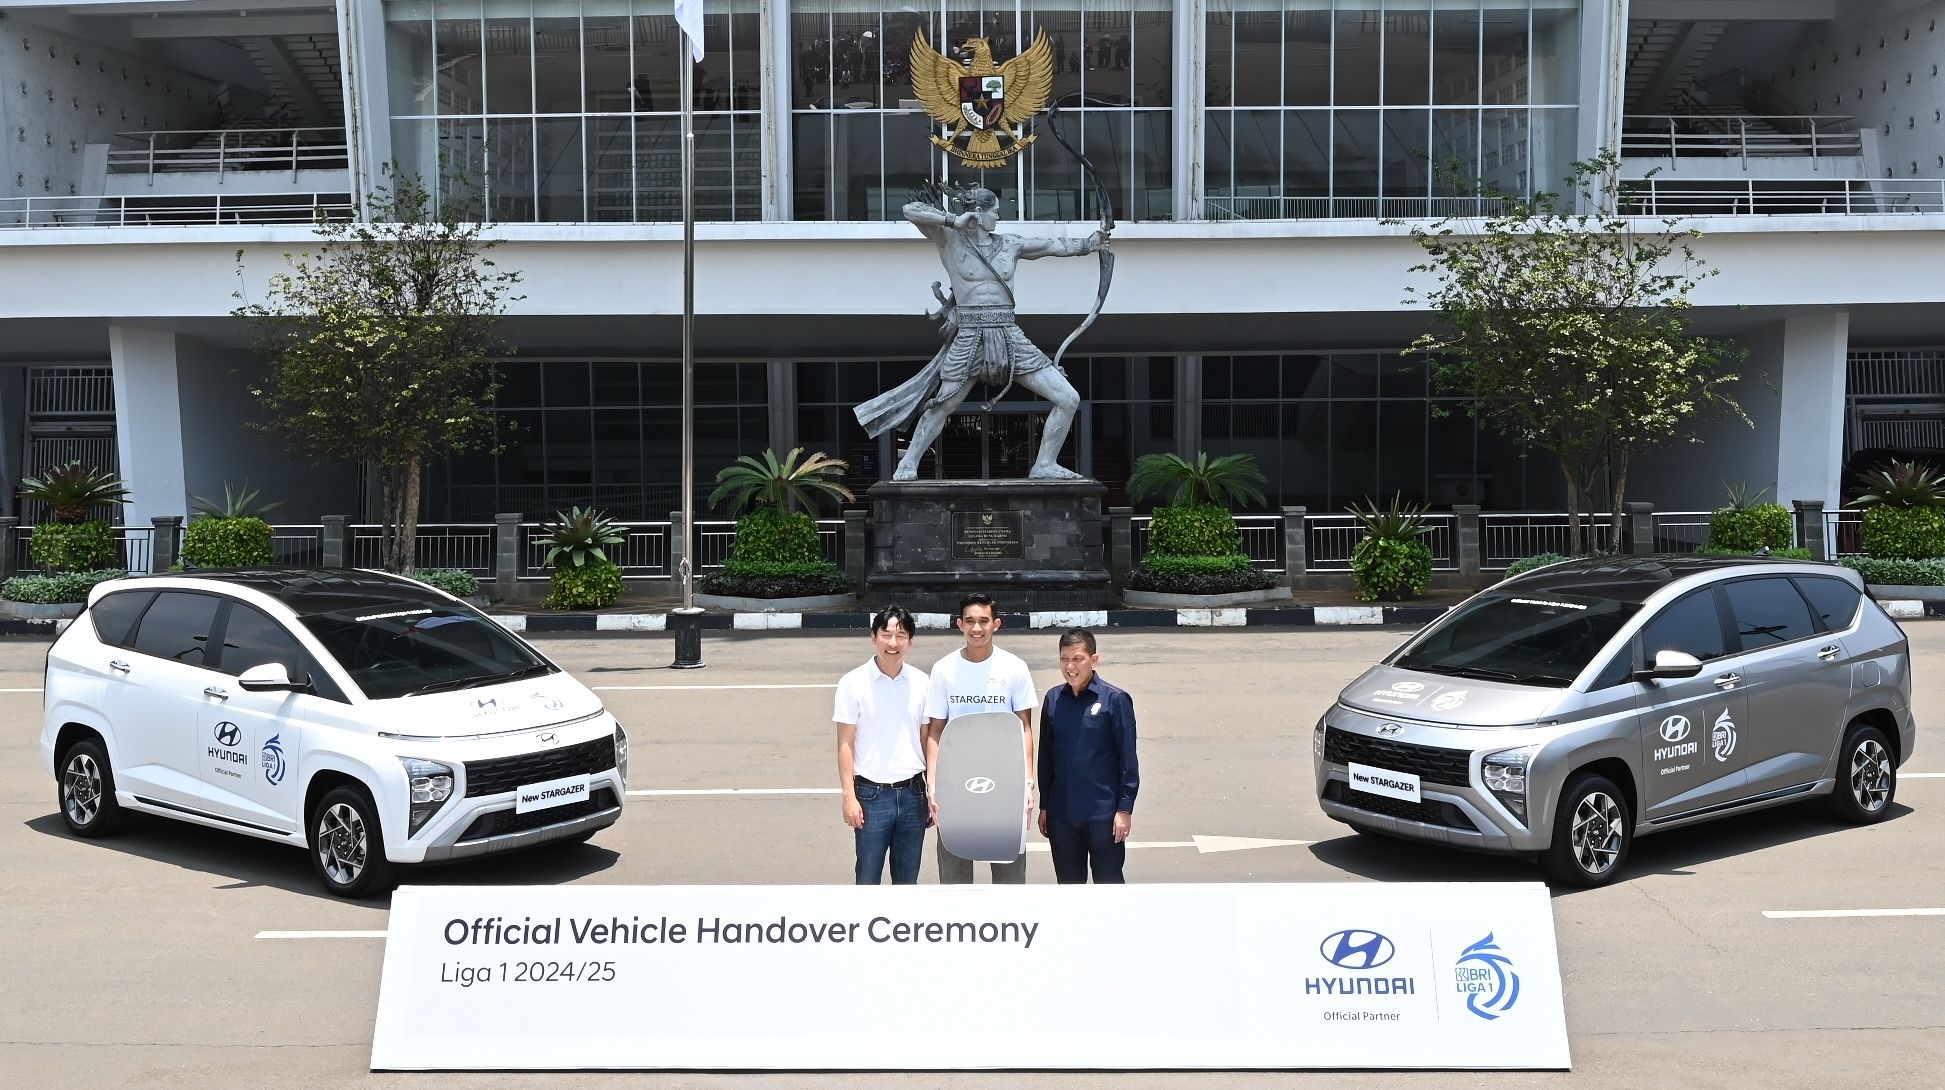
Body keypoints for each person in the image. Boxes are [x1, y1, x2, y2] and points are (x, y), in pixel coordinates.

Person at [854, 187, 1104, 481]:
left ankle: (1045, 464)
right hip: (970, 335)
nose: (998, 216)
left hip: (1009, 335)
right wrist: (952, 220)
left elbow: (1053, 246)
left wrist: (1090, 244)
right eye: (995, 211)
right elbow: (910, 210)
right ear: (979, 213)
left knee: (1068, 398)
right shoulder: (949, 240)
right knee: (943, 405)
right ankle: (907, 463)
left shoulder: (1009, 245)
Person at [923, 592, 1038, 884]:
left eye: (984, 621)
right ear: (959, 624)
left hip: (1005, 782)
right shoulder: (943, 669)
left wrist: (1027, 783)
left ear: (996, 624)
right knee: (954, 878)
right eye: (970, 621)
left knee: (1009, 878)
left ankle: (1009, 929)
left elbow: (1024, 727)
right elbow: (936, 730)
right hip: (955, 782)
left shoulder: (1014, 668)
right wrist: (933, 785)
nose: (977, 628)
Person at [834, 605, 930, 884]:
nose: (893, 643)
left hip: (914, 793)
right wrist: (849, 797)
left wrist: (933, 793)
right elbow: (845, 745)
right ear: (873, 637)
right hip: (870, 795)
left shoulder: (923, 683)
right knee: (867, 879)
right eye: (886, 634)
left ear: (910, 642)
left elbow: (927, 740)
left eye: (900, 635)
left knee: (907, 882)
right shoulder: (853, 683)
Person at [1037, 628, 1138, 883]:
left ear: (1094, 660)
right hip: (1062, 816)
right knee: (1070, 892)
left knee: (1109, 887)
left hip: (1103, 817)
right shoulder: (1053, 699)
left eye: (1077, 659)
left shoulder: (1115, 700)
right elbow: (1046, 758)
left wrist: (1124, 808)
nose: (1070, 666)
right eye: (1064, 659)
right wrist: (1045, 806)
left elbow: (1128, 758)